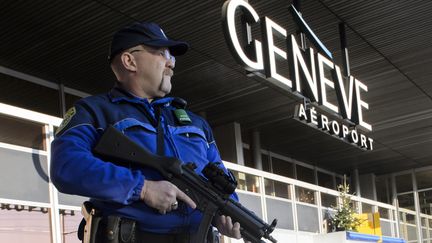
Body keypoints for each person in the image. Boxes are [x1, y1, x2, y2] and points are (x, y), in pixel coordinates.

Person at [50, 22, 246, 243]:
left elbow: (219, 176)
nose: (171, 63)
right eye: (162, 53)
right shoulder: (93, 112)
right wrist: (142, 188)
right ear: (129, 61)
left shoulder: (196, 123)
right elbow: (66, 166)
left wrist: (227, 213)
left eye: (172, 56)